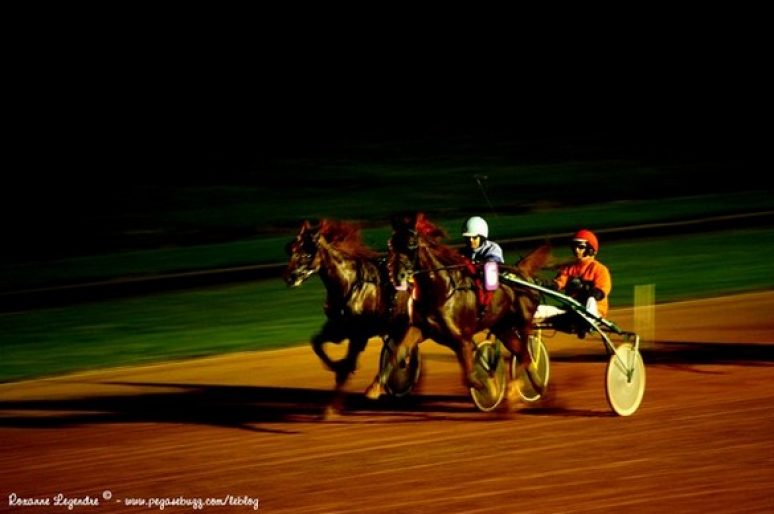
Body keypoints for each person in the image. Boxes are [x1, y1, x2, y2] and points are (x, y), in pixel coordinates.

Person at [552, 229, 612, 318]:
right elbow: (559, 282)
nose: (576, 250)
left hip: (595, 310)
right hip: (571, 309)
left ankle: (588, 318)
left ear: (591, 249)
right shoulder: (568, 268)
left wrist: (585, 290)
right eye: (574, 246)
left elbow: (602, 291)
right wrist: (548, 285)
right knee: (538, 311)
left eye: (580, 247)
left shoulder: (600, 269)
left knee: (591, 299)